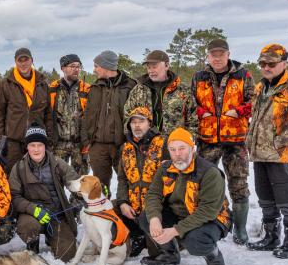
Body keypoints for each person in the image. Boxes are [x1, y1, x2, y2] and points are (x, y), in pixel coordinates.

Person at [246, 44, 288, 259]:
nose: (266, 67)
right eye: (263, 63)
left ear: (284, 63)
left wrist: (280, 141)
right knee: (265, 198)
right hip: (260, 154)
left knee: (286, 199)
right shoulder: (260, 87)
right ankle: (271, 237)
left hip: (284, 155)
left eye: (271, 64)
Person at [139, 128, 230, 265]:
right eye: (173, 149)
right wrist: (155, 219)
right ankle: (170, 254)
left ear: (192, 149)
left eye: (182, 148)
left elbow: (208, 211)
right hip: (179, 214)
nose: (177, 154)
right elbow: (153, 194)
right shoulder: (166, 168)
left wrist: (175, 231)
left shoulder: (209, 172)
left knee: (194, 240)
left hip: (213, 219)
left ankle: (215, 260)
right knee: (146, 218)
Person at [192, 39, 255, 244]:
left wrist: (238, 111)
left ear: (228, 54)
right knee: (204, 183)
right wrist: (201, 112)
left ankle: (240, 229)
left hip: (235, 139)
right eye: (213, 54)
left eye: (221, 54)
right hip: (207, 139)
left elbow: (255, 101)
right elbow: (190, 102)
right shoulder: (199, 77)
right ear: (208, 56)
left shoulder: (243, 75)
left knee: (238, 183)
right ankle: (207, 221)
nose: (217, 58)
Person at [8, 123, 79, 262]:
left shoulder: (58, 163)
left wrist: (96, 188)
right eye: (32, 145)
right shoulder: (18, 168)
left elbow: (76, 181)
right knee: (28, 227)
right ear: (27, 147)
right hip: (32, 215)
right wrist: (33, 209)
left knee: (68, 255)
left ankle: (51, 236)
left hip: (55, 214)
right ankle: (32, 241)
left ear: (45, 146)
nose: (36, 149)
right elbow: (14, 197)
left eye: (39, 145)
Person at [81, 50, 137, 195]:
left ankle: (127, 215)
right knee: (99, 187)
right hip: (98, 146)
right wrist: (87, 140)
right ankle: (103, 214)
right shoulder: (95, 88)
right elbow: (87, 115)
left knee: (128, 182)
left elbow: (137, 115)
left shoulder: (131, 86)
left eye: (96, 66)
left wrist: (131, 141)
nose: (94, 70)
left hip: (122, 145)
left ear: (106, 66)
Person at [114, 106, 165, 257]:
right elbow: (122, 178)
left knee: (156, 252)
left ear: (149, 123)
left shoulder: (163, 144)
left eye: (141, 121)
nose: (136, 125)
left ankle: (172, 241)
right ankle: (137, 235)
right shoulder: (126, 147)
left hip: (156, 206)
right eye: (133, 122)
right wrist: (123, 202)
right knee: (108, 210)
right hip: (133, 203)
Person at [0, 47, 53, 173]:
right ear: (15, 62)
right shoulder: (6, 83)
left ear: (32, 61)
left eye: (26, 60)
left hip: (37, 139)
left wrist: (49, 137)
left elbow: (48, 114)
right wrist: (0, 140)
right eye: (20, 60)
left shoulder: (42, 83)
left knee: (37, 174)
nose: (23, 63)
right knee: (14, 174)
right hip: (13, 141)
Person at [124, 50, 198, 141]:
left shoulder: (183, 91)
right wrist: (132, 139)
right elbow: (127, 116)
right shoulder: (138, 90)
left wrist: (188, 142)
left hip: (174, 147)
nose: (151, 71)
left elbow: (193, 121)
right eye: (148, 67)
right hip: (144, 145)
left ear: (166, 65)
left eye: (154, 67)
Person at [49, 53, 91, 176]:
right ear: (63, 68)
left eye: (78, 66)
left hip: (80, 144)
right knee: (56, 179)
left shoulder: (87, 89)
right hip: (59, 144)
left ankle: (76, 197)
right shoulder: (52, 89)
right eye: (72, 66)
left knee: (80, 182)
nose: (76, 69)